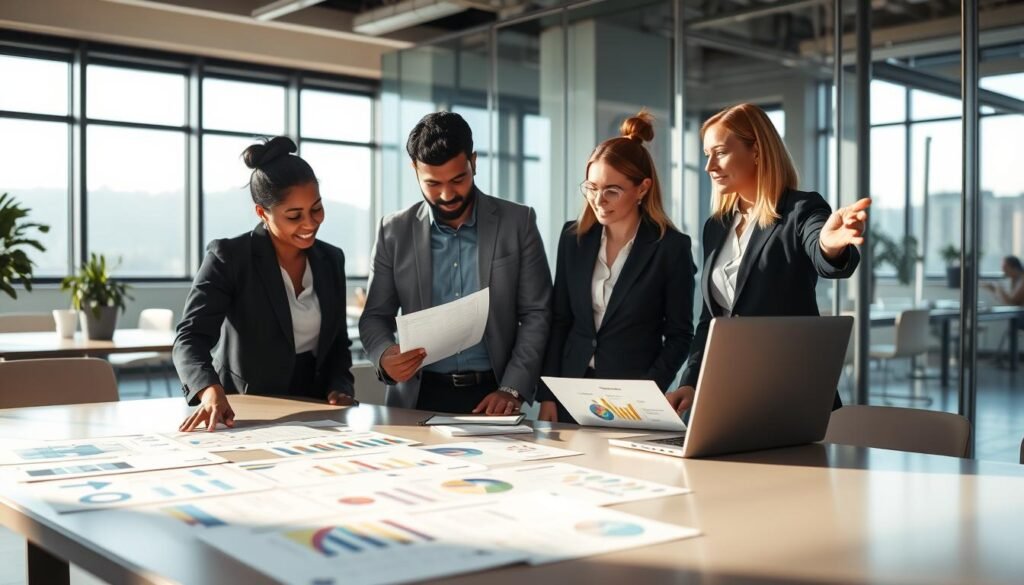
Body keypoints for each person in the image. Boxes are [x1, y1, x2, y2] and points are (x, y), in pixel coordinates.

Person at [665, 103, 871, 414]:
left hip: (791, 388)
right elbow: (710, 321)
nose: (709, 166)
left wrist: (830, 245)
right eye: (707, 154)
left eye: (719, 152)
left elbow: (822, 253)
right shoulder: (716, 226)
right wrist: (690, 381)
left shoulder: (801, 209)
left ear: (757, 151)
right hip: (729, 389)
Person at [359, 111, 552, 414]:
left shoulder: (518, 222)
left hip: (496, 395)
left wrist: (512, 388)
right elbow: (374, 316)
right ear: (415, 170)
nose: (447, 194)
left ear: (473, 162)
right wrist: (384, 356)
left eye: (458, 179)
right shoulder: (393, 231)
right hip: (417, 397)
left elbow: (537, 313)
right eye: (433, 183)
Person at [173, 136, 355, 432]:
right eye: (294, 215)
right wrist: (208, 389)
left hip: (318, 412)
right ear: (262, 213)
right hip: (246, 409)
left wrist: (339, 387)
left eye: (316, 209)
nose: (310, 223)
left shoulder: (331, 259)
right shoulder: (229, 258)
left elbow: (336, 345)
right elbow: (190, 338)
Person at [537, 111, 695, 423]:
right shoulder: (573, 239)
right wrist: (547, 394)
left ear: (642, 188)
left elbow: (679, 334)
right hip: (572, 392)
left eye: (612, 190)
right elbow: (560, 320)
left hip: (633, 397)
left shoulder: (671, 247)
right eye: (591, 187)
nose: (599, 199)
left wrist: (648, 389)